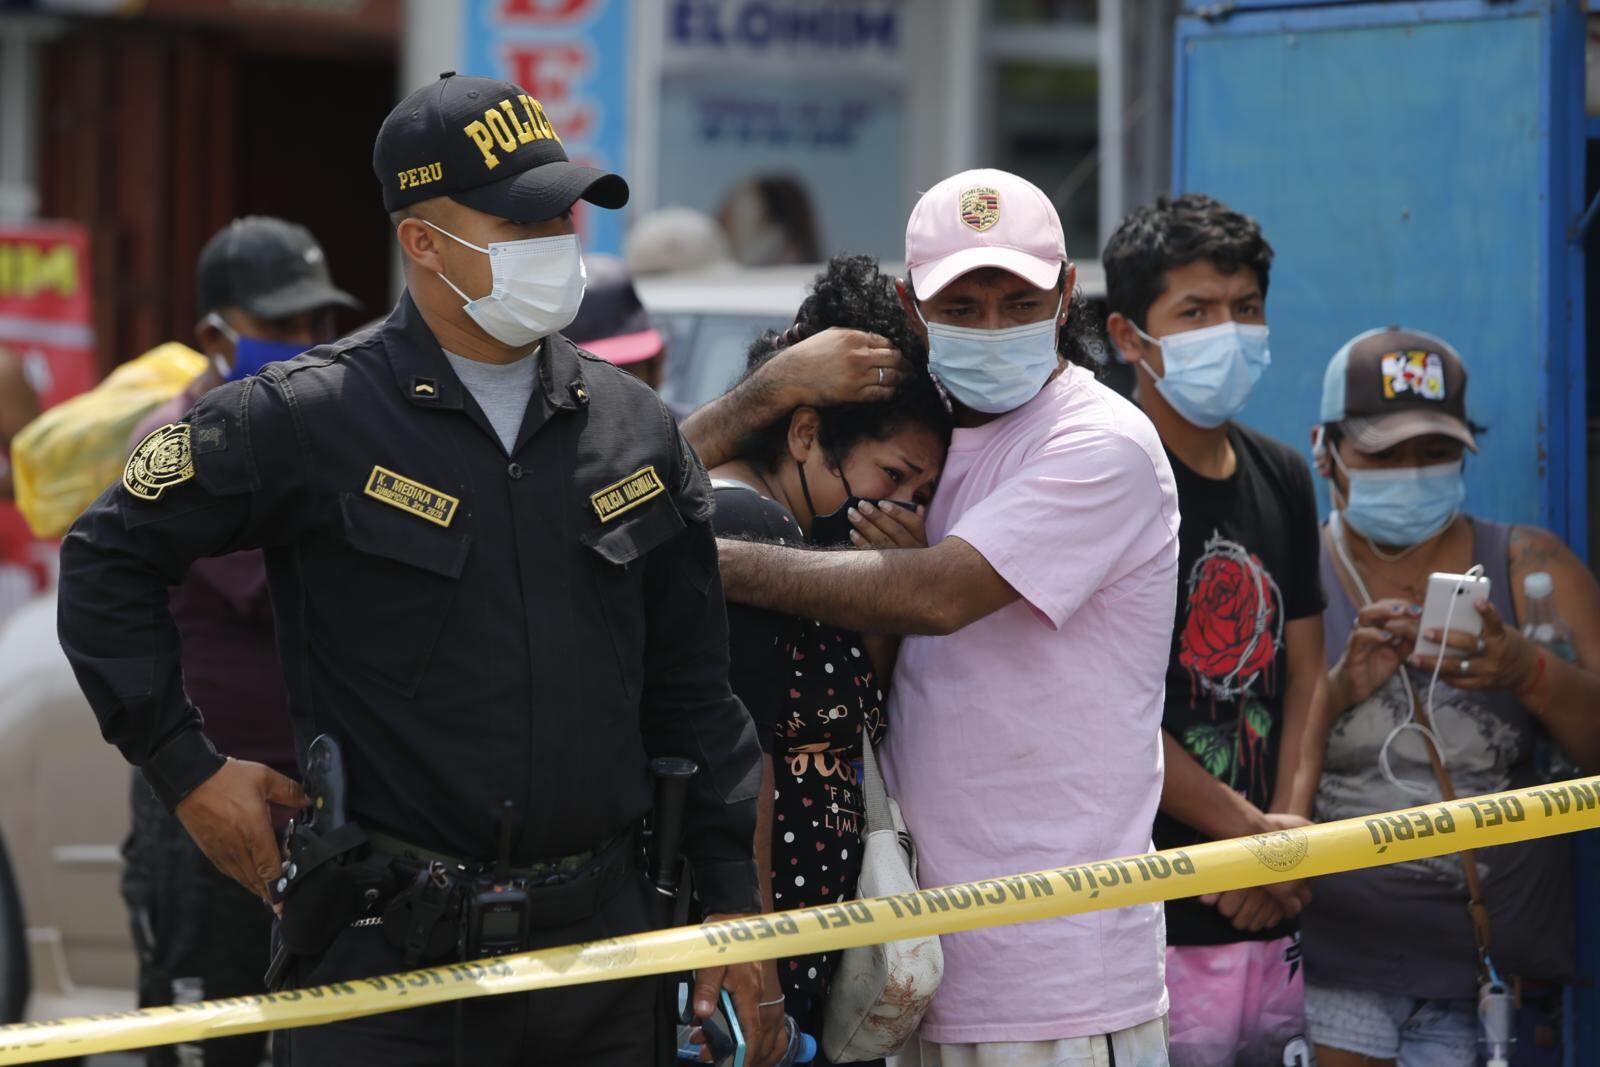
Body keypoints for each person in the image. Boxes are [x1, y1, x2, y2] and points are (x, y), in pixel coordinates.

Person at [56, 72, 765, 1065]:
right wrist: (188, 769)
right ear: (423, 242)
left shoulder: (638, 427)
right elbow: (105, 556)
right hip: (384, 965)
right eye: (520, 219)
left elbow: (696, 693)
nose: (556, 239)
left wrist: (738, 913)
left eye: (562, 211)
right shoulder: (307, 417)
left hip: (600, 961)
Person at [687, 169, 1179, 1066]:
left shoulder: (1099, 442)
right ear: (912, 309)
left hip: (1056, 980)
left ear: (1067, 294)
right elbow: (625, 487)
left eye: (1017, 301)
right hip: (909, 970)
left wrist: (713, 563)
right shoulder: (914, 432)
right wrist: (768, 390)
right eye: (962, 305)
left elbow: (938, 595)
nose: (991, 327)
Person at [1306, 326, 1598, 1067]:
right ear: (1325, 450)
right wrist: (1337, 691)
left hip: (1493, 983)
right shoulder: (1294, 577)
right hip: (1333, 972)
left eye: (1434, 453)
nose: (1411, 472)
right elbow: (1253, 762)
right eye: (1384, 453)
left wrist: (1527, 669)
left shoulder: (1533, 566)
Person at [118, 215, 358, 1067]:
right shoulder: (177, 447)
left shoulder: (305, 433)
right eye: (280, 326)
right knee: (207, 1037)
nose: (304, 343)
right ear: (215, 335)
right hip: (207, 806)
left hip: (312, 806)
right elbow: (280, 581)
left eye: (315, 325)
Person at [1102, 194, 1326, 1067]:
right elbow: (1104, 708)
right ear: (1129, 335)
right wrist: (1248, 840)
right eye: (1194, 312)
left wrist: (1290, 839)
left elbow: (1307, 673)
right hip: (1152, 920)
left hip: (1275, 907)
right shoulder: (1112, 476)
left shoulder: (1282, 474)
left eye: (1244, 309)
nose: (1225, 331)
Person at [708, 254, 948, 1065]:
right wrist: (763, 964)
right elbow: (746, 768)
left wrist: (889, 598)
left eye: (922, 495)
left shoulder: (814, 549)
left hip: (802, 952)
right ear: (805, 431)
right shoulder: (751, 530)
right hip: (761, 963)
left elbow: (849, 716)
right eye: (894, 477)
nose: (901, 508)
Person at [566, 253, 667, 390]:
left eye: (627, 369)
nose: (615, 388)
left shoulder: (691, 412)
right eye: (593, 373)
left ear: (657, 361)